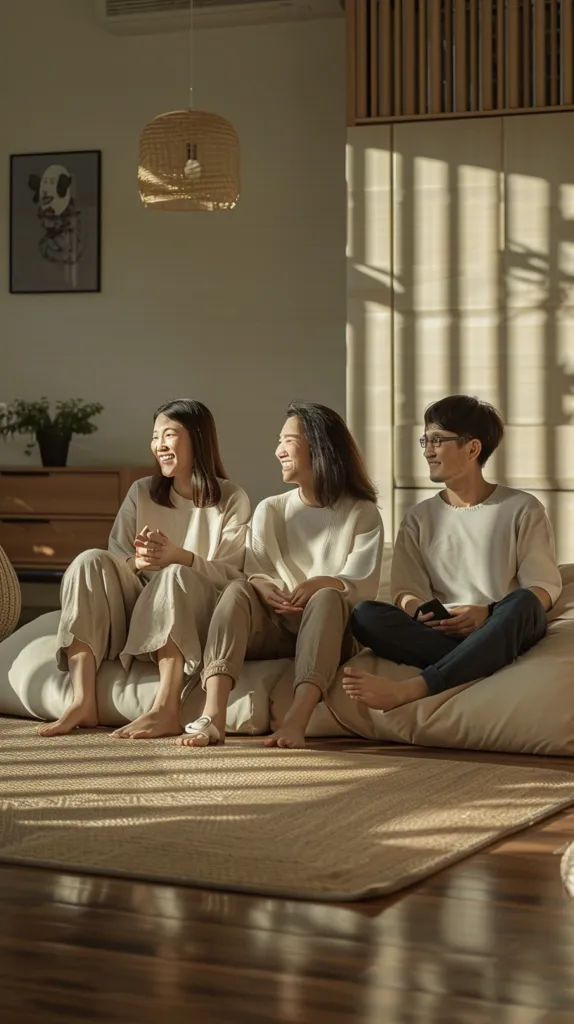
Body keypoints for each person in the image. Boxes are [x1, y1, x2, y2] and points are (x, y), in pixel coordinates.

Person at [38, 399, 251, 739]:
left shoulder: (231, 498)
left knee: (174, 575)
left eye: (169, 435)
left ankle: (166, 708)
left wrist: (179, 557)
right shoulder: (141, 491)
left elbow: (233, 576)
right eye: (155, 437)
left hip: (195, 615)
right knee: (89, 560)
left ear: (198, 439)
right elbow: (116, 558)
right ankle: (82, 700)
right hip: (137, 611)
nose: (159, 445)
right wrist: (139, 562)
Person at [178, 400, 384, 751]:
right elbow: (257, 572)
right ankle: (213, 716)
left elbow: (362, 584)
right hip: (275, 626)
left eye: (288, 441)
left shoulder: (362, 513)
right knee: (237, 590)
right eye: (280, 441)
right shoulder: (271, 509)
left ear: (318, 447)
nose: (278, 451)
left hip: (331, 630)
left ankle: (296, 721)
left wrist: (322, 582)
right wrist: (264, 587)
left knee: (327, 597)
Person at [343, 395, 562, 711]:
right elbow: (405, 592)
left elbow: (542, 589)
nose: (427, 451)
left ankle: (418, 687)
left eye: (437, 440)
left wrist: (487, 613)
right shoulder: (418, 518)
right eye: (425, 441)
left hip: (499, 625)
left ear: (472, 448)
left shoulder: (523, 508)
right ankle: (483, 666)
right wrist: (422, 612)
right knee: (365, 615)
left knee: (524, 603)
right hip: (441, 633)